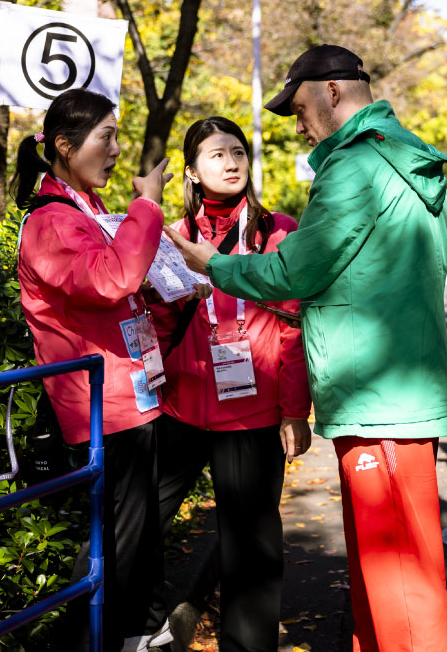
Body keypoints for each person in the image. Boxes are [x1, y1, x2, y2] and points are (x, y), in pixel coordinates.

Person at [165, 45, 447, 652]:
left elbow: (295, 273)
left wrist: (213, 264)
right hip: (396, 383)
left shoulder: (354, 167)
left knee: (395, 571)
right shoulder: (404, 158)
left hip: (376, 393)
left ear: (331, 92)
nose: (297, 127)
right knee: (395, 567)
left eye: (298, 108)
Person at [12, 88, 174, 652]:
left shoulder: (83, 210)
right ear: (63, 145)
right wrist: (146, 207)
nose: (114, 149)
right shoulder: (51, 222)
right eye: (105, 137)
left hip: (129, 393)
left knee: (138, 534)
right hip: (102, 403)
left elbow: (120, 286)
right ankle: (82, 642)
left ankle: (142, 631)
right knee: (119, 539)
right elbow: (109, 280)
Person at [145, 116, 312, 652]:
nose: (231, 161)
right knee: (138, 521)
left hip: (254, 411)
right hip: (183, 407)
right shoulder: (175, 235)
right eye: (215, 155)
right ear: (192, 171)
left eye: (237, 151)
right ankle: (131, 628)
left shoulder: (277, 230)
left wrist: (294, 410)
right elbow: (161, 325)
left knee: (251, 549)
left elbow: (291, 325)